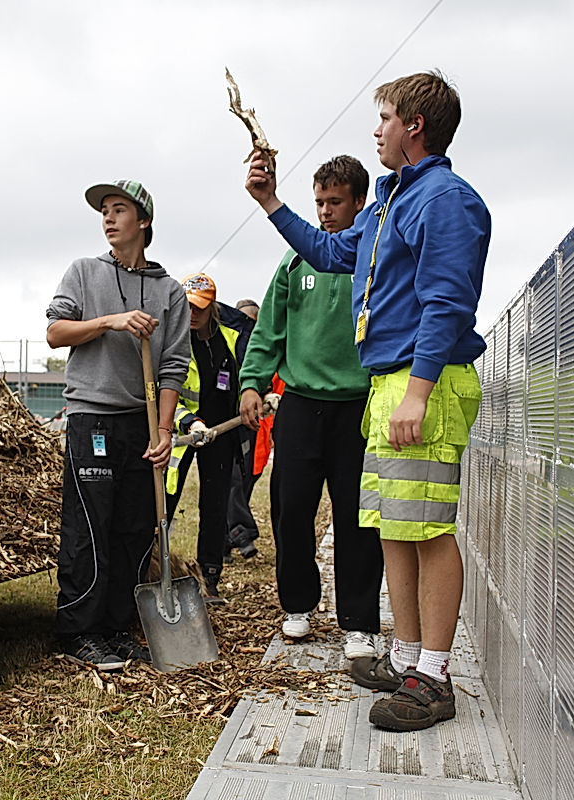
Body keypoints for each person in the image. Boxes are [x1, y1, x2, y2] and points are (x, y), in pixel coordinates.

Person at [245, 71, 488, 732]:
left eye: (383, 118)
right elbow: (328, 250)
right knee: (394, 530)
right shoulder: (387, 203)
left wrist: (418, 391)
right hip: (386, 386)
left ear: (415, 124)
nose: (375, 130)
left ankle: (433, 679)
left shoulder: (443, 198)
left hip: (420, 383)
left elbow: (446, 299)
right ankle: (406, 658)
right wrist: (270, 204)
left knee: (428, 530)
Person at [239, 155, 385, 663]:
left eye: (335, 202)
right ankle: (298, 604)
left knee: (358, 518)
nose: (324, 212)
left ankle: (360, 622)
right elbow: (268, 331)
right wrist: (252, 382)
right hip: (300, 405)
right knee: (291, 508)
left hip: (357, 406)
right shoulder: (294, 261)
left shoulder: (373, 256)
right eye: (319, 202)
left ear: (359, 203)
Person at [46, 179, 191, 671]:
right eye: (104, 211)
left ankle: (115, 626)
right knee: (90, 528)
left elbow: (173, 366)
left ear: (143, 221)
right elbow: (55, 333)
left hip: (141, 422)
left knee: (133, 529)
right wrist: (110, 321)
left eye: (119, 209)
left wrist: (164, 432)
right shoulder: (84, 273)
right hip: (93, 418)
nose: (108, 218)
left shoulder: (170, 291)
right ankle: (79, 631)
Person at [164, 273, 254, 604]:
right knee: (165, 501)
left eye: (200, 308)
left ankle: (210, 579)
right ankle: (153, 573)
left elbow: (248, 371)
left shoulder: (232, 336)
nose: (193, 314)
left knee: (215, 505)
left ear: (212, 306)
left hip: (222, 431)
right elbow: (162, 388)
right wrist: (188, 421)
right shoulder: (172, 337)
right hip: (182, 432)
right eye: (187, 306)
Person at [224, 298, 264, 561]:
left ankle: (227, 540)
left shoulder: (259, 348)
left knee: (243, 480)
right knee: (232, 482)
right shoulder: (227, 341)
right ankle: (240, 533)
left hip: (252, 426)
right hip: (224, 424)